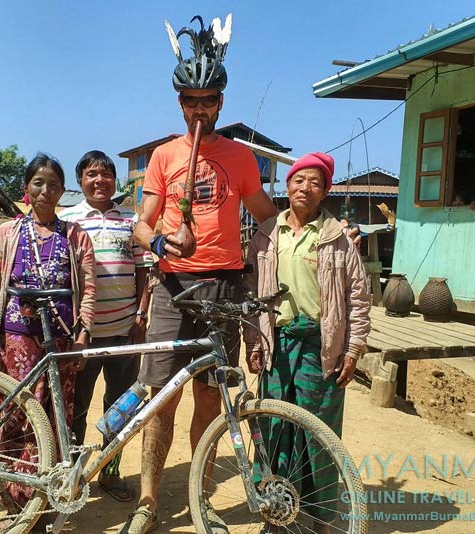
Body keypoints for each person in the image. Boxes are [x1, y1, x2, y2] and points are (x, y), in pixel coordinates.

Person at [124, 15, 280, 534]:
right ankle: (148, 500)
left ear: (220, 102)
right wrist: (160, 241)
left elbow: (267, 216)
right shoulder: (164, 156)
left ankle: (199, 496)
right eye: (191, 101)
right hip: (173, 287)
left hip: (224, 287)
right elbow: (141, 225)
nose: (199, 109)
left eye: (207, 100)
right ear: (180, 103)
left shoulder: (240, 157)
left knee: (211, 399)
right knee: (161, 398)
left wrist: (318, 228)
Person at [244, 153, 371, 534]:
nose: (305, 188)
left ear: (325, 191)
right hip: (277, 345)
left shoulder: (338, 237)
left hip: (321, 347)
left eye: (315, 182)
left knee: (318, 435)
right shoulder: (267, 233)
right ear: (287, 186)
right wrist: (253, 340)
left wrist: (353, 349)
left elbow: (359, 298)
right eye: (299, 180)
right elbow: (251, 292)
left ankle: (321, 520)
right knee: (274, 431)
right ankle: (276, 514)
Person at [0, 153, 96, 532]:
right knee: (16, 419)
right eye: (38, 183)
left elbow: (88, 290)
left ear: (62, 191)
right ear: (26, 188)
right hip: (17, 340)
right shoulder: (6, 233)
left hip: (61, 340)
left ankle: (45, 506)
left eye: (54, 185)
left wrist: (83, 334)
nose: (46, 191)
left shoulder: (76, 236)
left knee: (57, 420)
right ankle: (15, 508)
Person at [59, 150, 153, 502]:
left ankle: (109, 472)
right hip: (82, 336)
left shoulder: (131, 221)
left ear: (115, 180)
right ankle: (72, 474)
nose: (99, 180)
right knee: (76, 407)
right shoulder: (67, 220)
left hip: (124, 332)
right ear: (80, 181)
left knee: (121, 407)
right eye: (91, 174)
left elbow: (144, 271)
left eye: (106, 174)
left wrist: (140, 316)